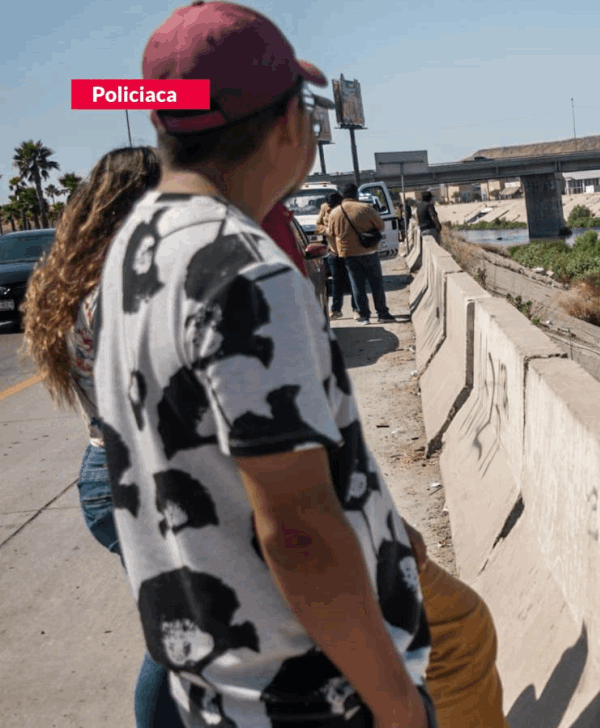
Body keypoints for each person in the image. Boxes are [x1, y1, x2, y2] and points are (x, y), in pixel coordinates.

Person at [95, 3, 433, 726]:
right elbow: (298, 526)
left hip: (218, 690)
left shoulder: (133, 252)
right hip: (309, 696)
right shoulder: (247, 273)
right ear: (288, 125)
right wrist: (395, 702)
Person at [23, 147, 183, 728]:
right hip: (139, 477)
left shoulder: (78, 282)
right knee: (180, 632)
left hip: (116, 470)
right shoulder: (120, 289)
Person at [329, 182, 396, 324]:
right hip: (369, 251)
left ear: (342, 196)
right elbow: (381, 225)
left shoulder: (334, 212)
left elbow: (330, 233)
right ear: (356, 194)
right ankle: (382, 314)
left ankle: (364, 316)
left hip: (348, 254)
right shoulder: (366, 208)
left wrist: (337, 248)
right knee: (376, 284)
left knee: (357, 285)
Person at [319, 191, 358, 319]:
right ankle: (336, 310)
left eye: (333, 207)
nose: (331, 209)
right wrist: (328, 229)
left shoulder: (346, 211)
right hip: (334, 253)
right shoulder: (325, 210)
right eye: (329, 206)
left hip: (348, 251)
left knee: (353, 281)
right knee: (337, 283)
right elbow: (319, 226)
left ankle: (356, 309)